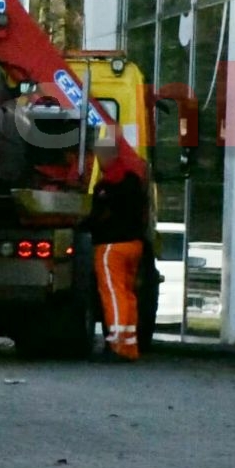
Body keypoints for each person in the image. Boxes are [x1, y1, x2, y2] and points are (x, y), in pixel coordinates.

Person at [88, 133, 150, 361]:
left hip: (111, 246)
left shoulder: (107, 185)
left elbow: (99, 217)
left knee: (113, 294)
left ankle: (115, 345)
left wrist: (83, 224)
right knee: (128, 293)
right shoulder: (134, 181)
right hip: (134, 245)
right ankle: (129, 346)